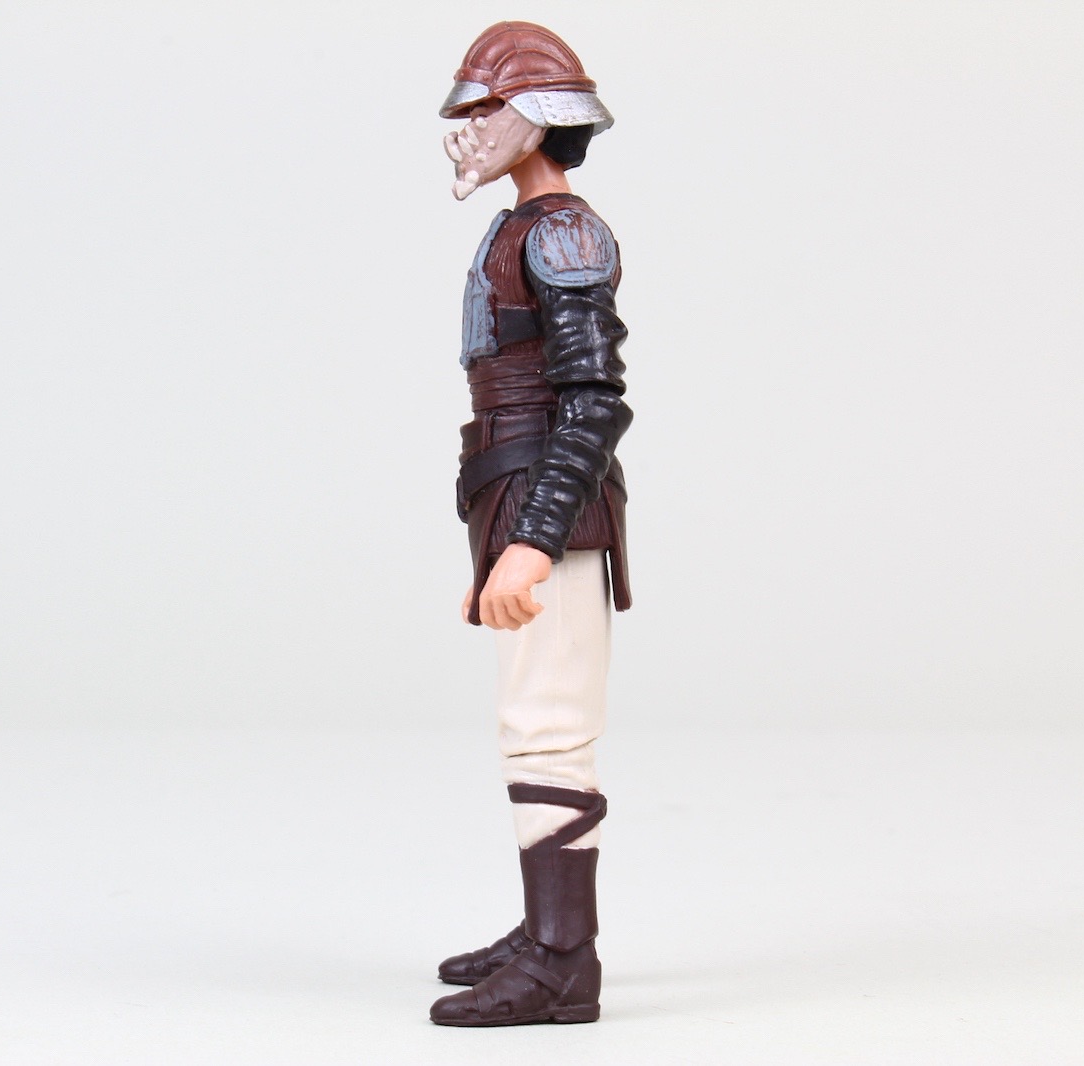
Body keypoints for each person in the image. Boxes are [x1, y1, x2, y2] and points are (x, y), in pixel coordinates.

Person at [429, 21, 633, 1028]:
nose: (468, 125)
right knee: (530, 719)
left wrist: (533, 539)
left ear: (539, 118)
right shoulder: (522, 227)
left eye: (487, 106)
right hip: (514, 487)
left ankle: (562, 959)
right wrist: (500, 532)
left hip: (551, 501)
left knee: (547, 726)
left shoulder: (561, 234)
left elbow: (591, 403)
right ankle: (544, 930)